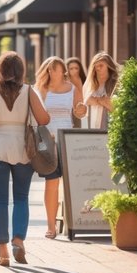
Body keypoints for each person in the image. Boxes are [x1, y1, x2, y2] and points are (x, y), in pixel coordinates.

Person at [0, 52, 51, 266]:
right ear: (21, 71)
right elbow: (44, 119)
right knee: (21, 198)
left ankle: (2, 252)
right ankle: (18, 241)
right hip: (22, 147)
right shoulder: (29, 91)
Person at [35, 56, 88, 239]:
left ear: (61, 71)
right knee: (51, 183)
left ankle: (79, 222)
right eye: (48, 69)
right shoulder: (41, 89)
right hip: (48, 141)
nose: (51, 72)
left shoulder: (72, 88)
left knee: (73, 183)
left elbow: (80, 110)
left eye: (54, 69)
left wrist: (81, 109)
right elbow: (35, 115)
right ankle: (51, 226)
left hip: (68, 139)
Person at [83, 52, 120, 131]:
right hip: (90, 127)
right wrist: (101, 101)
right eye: (96, 66)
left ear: (108, 66)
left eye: (101, 66)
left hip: (110, 127)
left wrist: (95, 100)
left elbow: (116, 109)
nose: (98, 68)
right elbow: (84, 105)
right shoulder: (90, 85)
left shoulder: (117, 84)